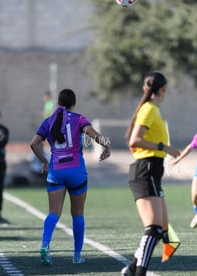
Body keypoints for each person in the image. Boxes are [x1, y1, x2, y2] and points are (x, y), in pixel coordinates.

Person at [30, 88, 111, 265]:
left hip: (56, 171)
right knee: (78, 214)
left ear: (58, 103)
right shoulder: (78, 118)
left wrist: (44, 161)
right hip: (76, 171)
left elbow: (34, 144)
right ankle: (76, 255)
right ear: (74, 103)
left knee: (53, 212)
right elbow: (92, 134)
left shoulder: (48, 121)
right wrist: (106, 146)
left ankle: (45, 245)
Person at [121, 72, 180, 276]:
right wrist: (165, 147)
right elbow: (134, 141)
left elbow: (135, 144)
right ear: (163, 90)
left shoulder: (151, 109)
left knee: (165, 233)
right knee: (154, 228)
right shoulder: (149, 109)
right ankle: (139, 272)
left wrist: (162, 150)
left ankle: (130, 269)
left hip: (150, 171)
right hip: (145, 171)